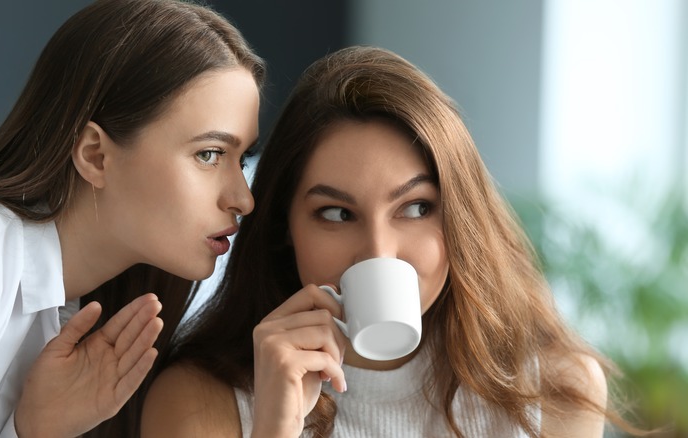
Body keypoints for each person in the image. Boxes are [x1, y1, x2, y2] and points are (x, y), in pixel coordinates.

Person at [140, 46, 644, 437]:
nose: (380, 251)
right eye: (336, 214)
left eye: (417, 208)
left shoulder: (553, 390)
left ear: (458, 220)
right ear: (283, 231)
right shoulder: (198, 402)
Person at [0, 0, 264, 436]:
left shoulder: (98, 332)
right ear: (95, 154)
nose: (243, 199)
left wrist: (32, 431)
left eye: (241, 160)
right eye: (209, 154)